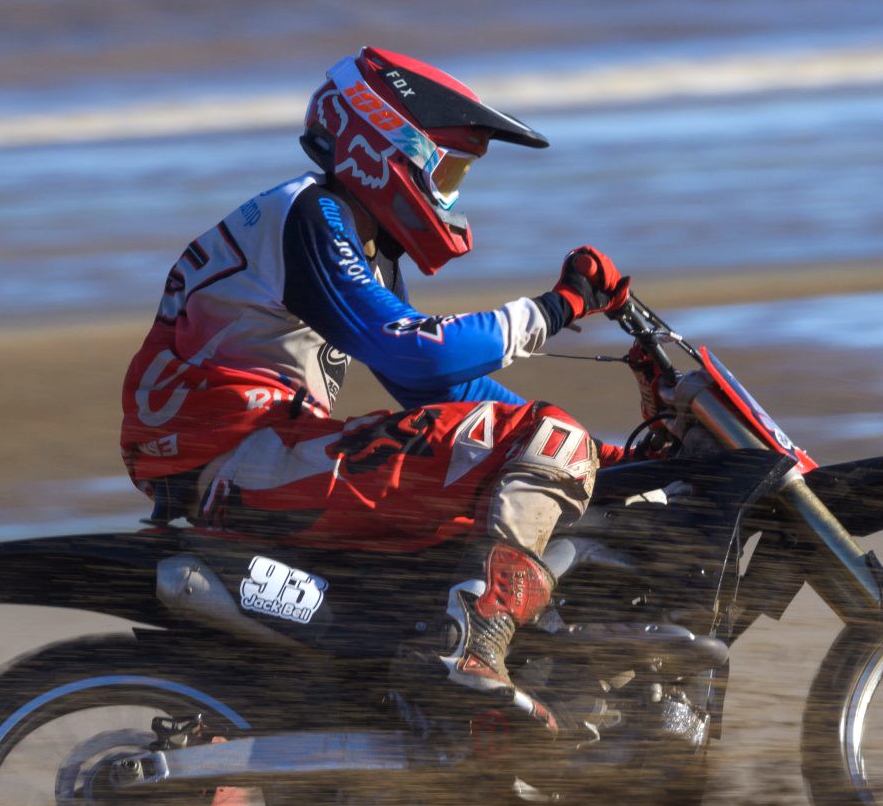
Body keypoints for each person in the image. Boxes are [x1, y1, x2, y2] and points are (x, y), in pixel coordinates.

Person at [120, 47, 633, 730]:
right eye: (446, 168)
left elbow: (436, 388)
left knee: (553, 444)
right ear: (385, 140)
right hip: (242, 458)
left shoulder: (347, 234)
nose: (449, 193)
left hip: (249, 457)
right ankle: (470, 648)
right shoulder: (314, 214)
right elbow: (416, 356)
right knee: (553, 437)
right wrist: (557, 307)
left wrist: (600, 455)